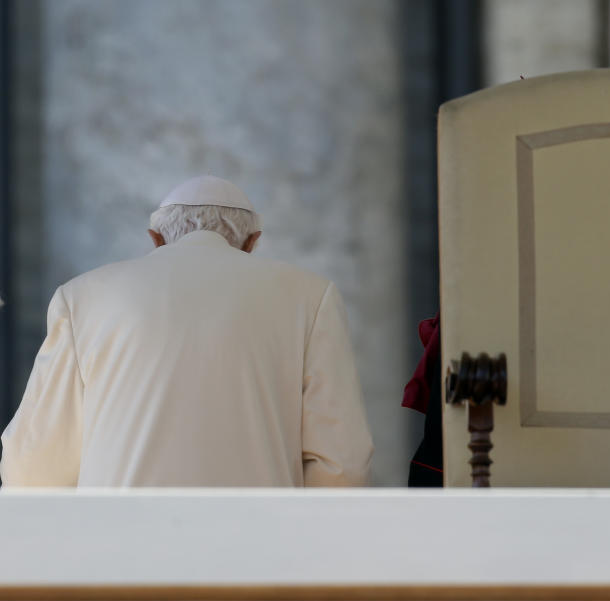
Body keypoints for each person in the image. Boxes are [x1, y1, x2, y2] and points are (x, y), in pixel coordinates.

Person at [0, 176, 373, 487]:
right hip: (259, 549)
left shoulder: (80, 297)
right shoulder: (311, 296)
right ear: (252, 242)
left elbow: (33, 463)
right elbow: (341, 463)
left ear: (156, 238)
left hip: (117, 553)